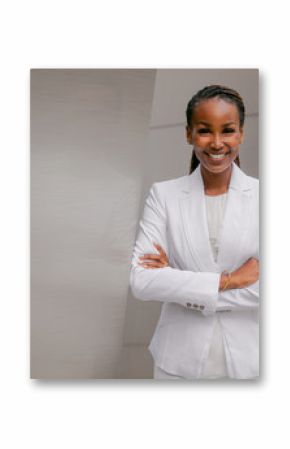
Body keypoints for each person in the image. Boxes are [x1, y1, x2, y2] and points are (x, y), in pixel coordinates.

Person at [130, 85, 259, 380]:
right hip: (176, 362)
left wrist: (176, 281)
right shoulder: (164, 195)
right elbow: (142, 280)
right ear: (188, 134)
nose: (216, 143)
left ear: (241, 133)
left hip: (249, 362)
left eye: (227, 130)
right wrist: (230, 280)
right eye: (204, 131)